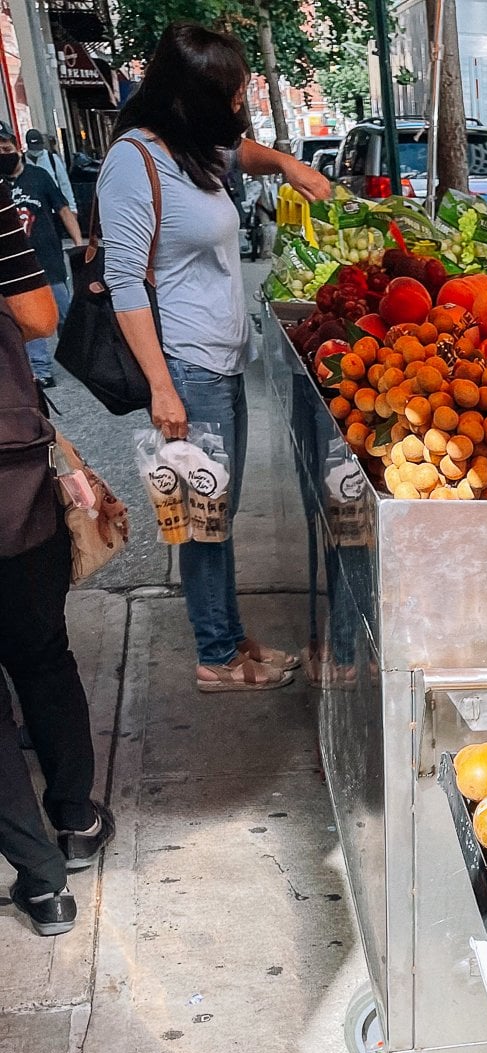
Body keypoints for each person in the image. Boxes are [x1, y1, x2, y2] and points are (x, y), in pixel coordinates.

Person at [97, 22, 330, 693]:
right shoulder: (135, 162)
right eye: (230, 96)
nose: (237, 107)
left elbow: (244, 152)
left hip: (223, 363)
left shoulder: (196, 147)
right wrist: (161, 388)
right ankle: (217, 656)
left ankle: (229, 635)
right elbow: (124, 284)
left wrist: (288, 165)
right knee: (203, 521)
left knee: (219, 515)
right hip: (185, 368)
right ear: (189, 97)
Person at [0, 182, 113, 936]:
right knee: (41, 653)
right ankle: (74, 820)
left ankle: (42, 886)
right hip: (11, 483)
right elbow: (41, 315)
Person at [0, 128, 83, 386]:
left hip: (49, 258)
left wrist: (79, 244)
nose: (3, 154)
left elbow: (63, 210)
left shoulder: (39, 176)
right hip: (20, 266)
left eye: (6, 149)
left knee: (65, 313)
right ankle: (41, 369)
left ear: (17, 147)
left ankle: (81, 357)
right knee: (31, 317)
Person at [26, 128, 75, 207]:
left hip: (54, 207)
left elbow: (65, 184)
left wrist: (72, 207)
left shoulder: (52, 159)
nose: (36, 151)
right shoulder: (22, 161)